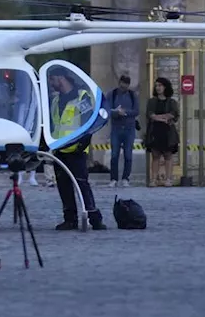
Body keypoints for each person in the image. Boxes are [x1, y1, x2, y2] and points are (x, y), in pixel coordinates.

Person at [47, 69, 106, 231]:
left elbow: (89, 124)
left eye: (52, 80)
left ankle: (95, 218)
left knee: (82, 185)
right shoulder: (55, 100)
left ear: (61, 78)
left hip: (76, 151)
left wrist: (82, 145)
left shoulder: (82, 97)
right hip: (60, 150)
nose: (51, 85)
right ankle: (70, 219)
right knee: (64, 187)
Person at [145, 77, 180, 186]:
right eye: (156, 86)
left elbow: (173, 114)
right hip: (155, 131)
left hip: (168, 132)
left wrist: (161, 117)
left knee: (168, 156)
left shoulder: (172, 102)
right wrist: (162, 118)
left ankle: (168, 179)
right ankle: (154, 179)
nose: (158, 88)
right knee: (155, 156)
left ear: (165, 87)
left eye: (160, 85)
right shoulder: (152, 101)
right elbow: (150, 115)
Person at [106, 73, 138, 187]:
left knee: (128, 155)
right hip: (116, 128)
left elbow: (136, 111)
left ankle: (126, 178)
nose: (124, 86)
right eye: (123, 83)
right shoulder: (112, 94)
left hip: (129, 129)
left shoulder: (133, 95)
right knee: (114, 155)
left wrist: (125, 112)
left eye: (126, 84)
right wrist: (116, 112)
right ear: (119, 83)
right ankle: (113, 178)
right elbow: (107, 109)